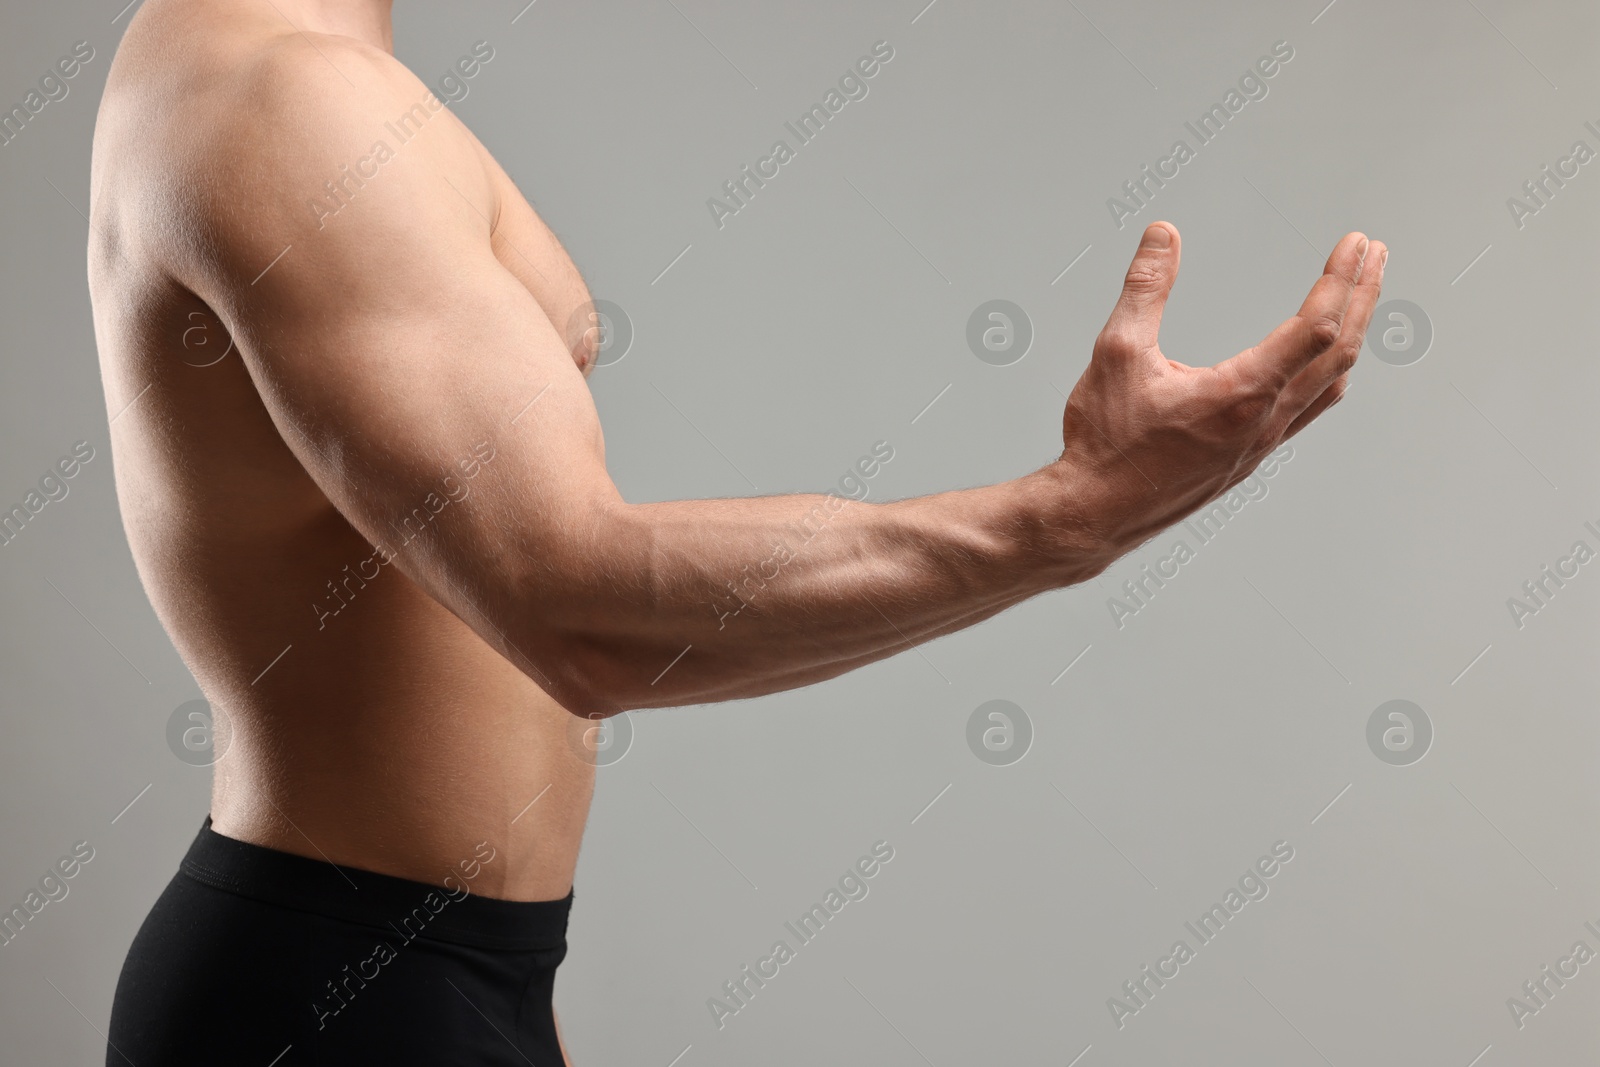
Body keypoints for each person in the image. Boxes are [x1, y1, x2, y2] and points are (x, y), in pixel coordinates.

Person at [86, 1, 1385, 1062]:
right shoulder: (289, 106)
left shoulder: (279, 75)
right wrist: (1066, 519)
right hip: (341, 995)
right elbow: (568, 603)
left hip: (446, 968)